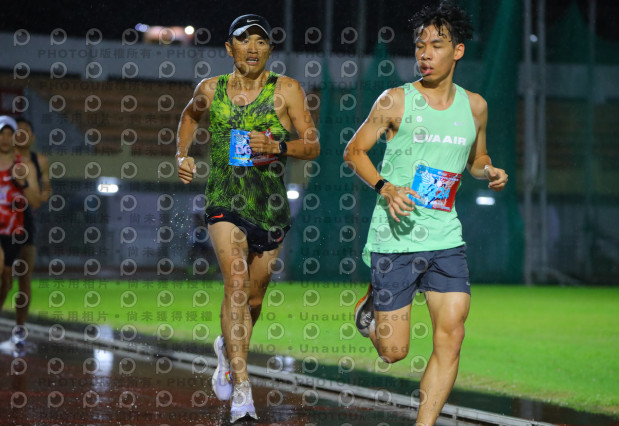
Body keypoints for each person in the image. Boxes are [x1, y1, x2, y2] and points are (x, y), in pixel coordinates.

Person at [343, 2, 508, 425]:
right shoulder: (395, 100)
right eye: (420, 46)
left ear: (458, 51)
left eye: (436, 45)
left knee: (451, 338)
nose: (425, 54)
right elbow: (354, 151)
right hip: (395, 237)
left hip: (445, 237)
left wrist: (488, 170)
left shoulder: (475, 106)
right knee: (393, 352)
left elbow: (476, 157)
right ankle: (370, 310)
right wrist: (385, 187)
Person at [175, 14, 319, 423]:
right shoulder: (210, 89)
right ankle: (242, 389)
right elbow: (189, 116)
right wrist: (182, 154)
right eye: (244, 40)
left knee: (253, 300)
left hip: (270, 208)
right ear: (229, 47)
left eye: (261, 41)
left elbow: (312, 145)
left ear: (270, 49)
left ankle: (226, 347)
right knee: (235, 285)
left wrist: (278, 147)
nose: (253, 48)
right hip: (224, 202)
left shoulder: (287, 90)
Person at [0, 115, 41, 355]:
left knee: (12, 279)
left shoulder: (26, 166)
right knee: (2, 272)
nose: (6, 138)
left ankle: (18, 331)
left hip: (18, 229)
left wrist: (23, 183)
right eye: (2, 134)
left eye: (10, 134)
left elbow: (36, 200)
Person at [14, 118, 51, 332]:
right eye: (17, 131)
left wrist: (30, 188)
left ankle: (20, 328)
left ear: (33, 136)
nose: (21, 134)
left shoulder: (40, 162)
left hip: (26, 223)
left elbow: (44, 193)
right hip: (3, 222)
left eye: (25, 131)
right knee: (5, 276)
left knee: (24, 278)